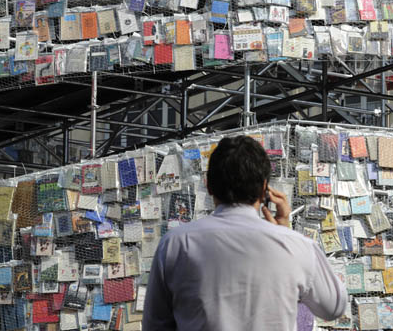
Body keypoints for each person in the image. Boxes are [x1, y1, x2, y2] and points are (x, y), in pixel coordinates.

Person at [142, 136, 347, 331]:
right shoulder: (297, 246)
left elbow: (155, 324)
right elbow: (334, 307)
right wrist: (285, 231)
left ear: (209, 186)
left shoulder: (175, 244)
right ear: (264, 190)